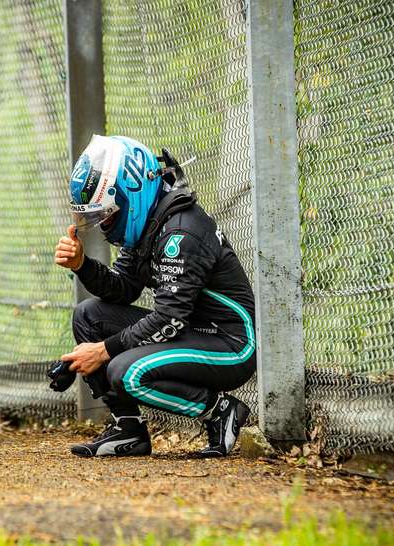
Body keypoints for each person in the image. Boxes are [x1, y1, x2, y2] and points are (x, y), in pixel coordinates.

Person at [51, 135, 256, 458]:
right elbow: (123, 289)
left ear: (132, 191)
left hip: (230, 344)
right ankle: (128, 430)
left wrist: (102, 351)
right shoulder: (150, 224)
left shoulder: (180, 232)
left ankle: (219, 411)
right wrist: (82, 265)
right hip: (191, 331)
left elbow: (169, 318)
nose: (104, 225)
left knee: (126, 372)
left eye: (107, 215)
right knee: (88, 316)